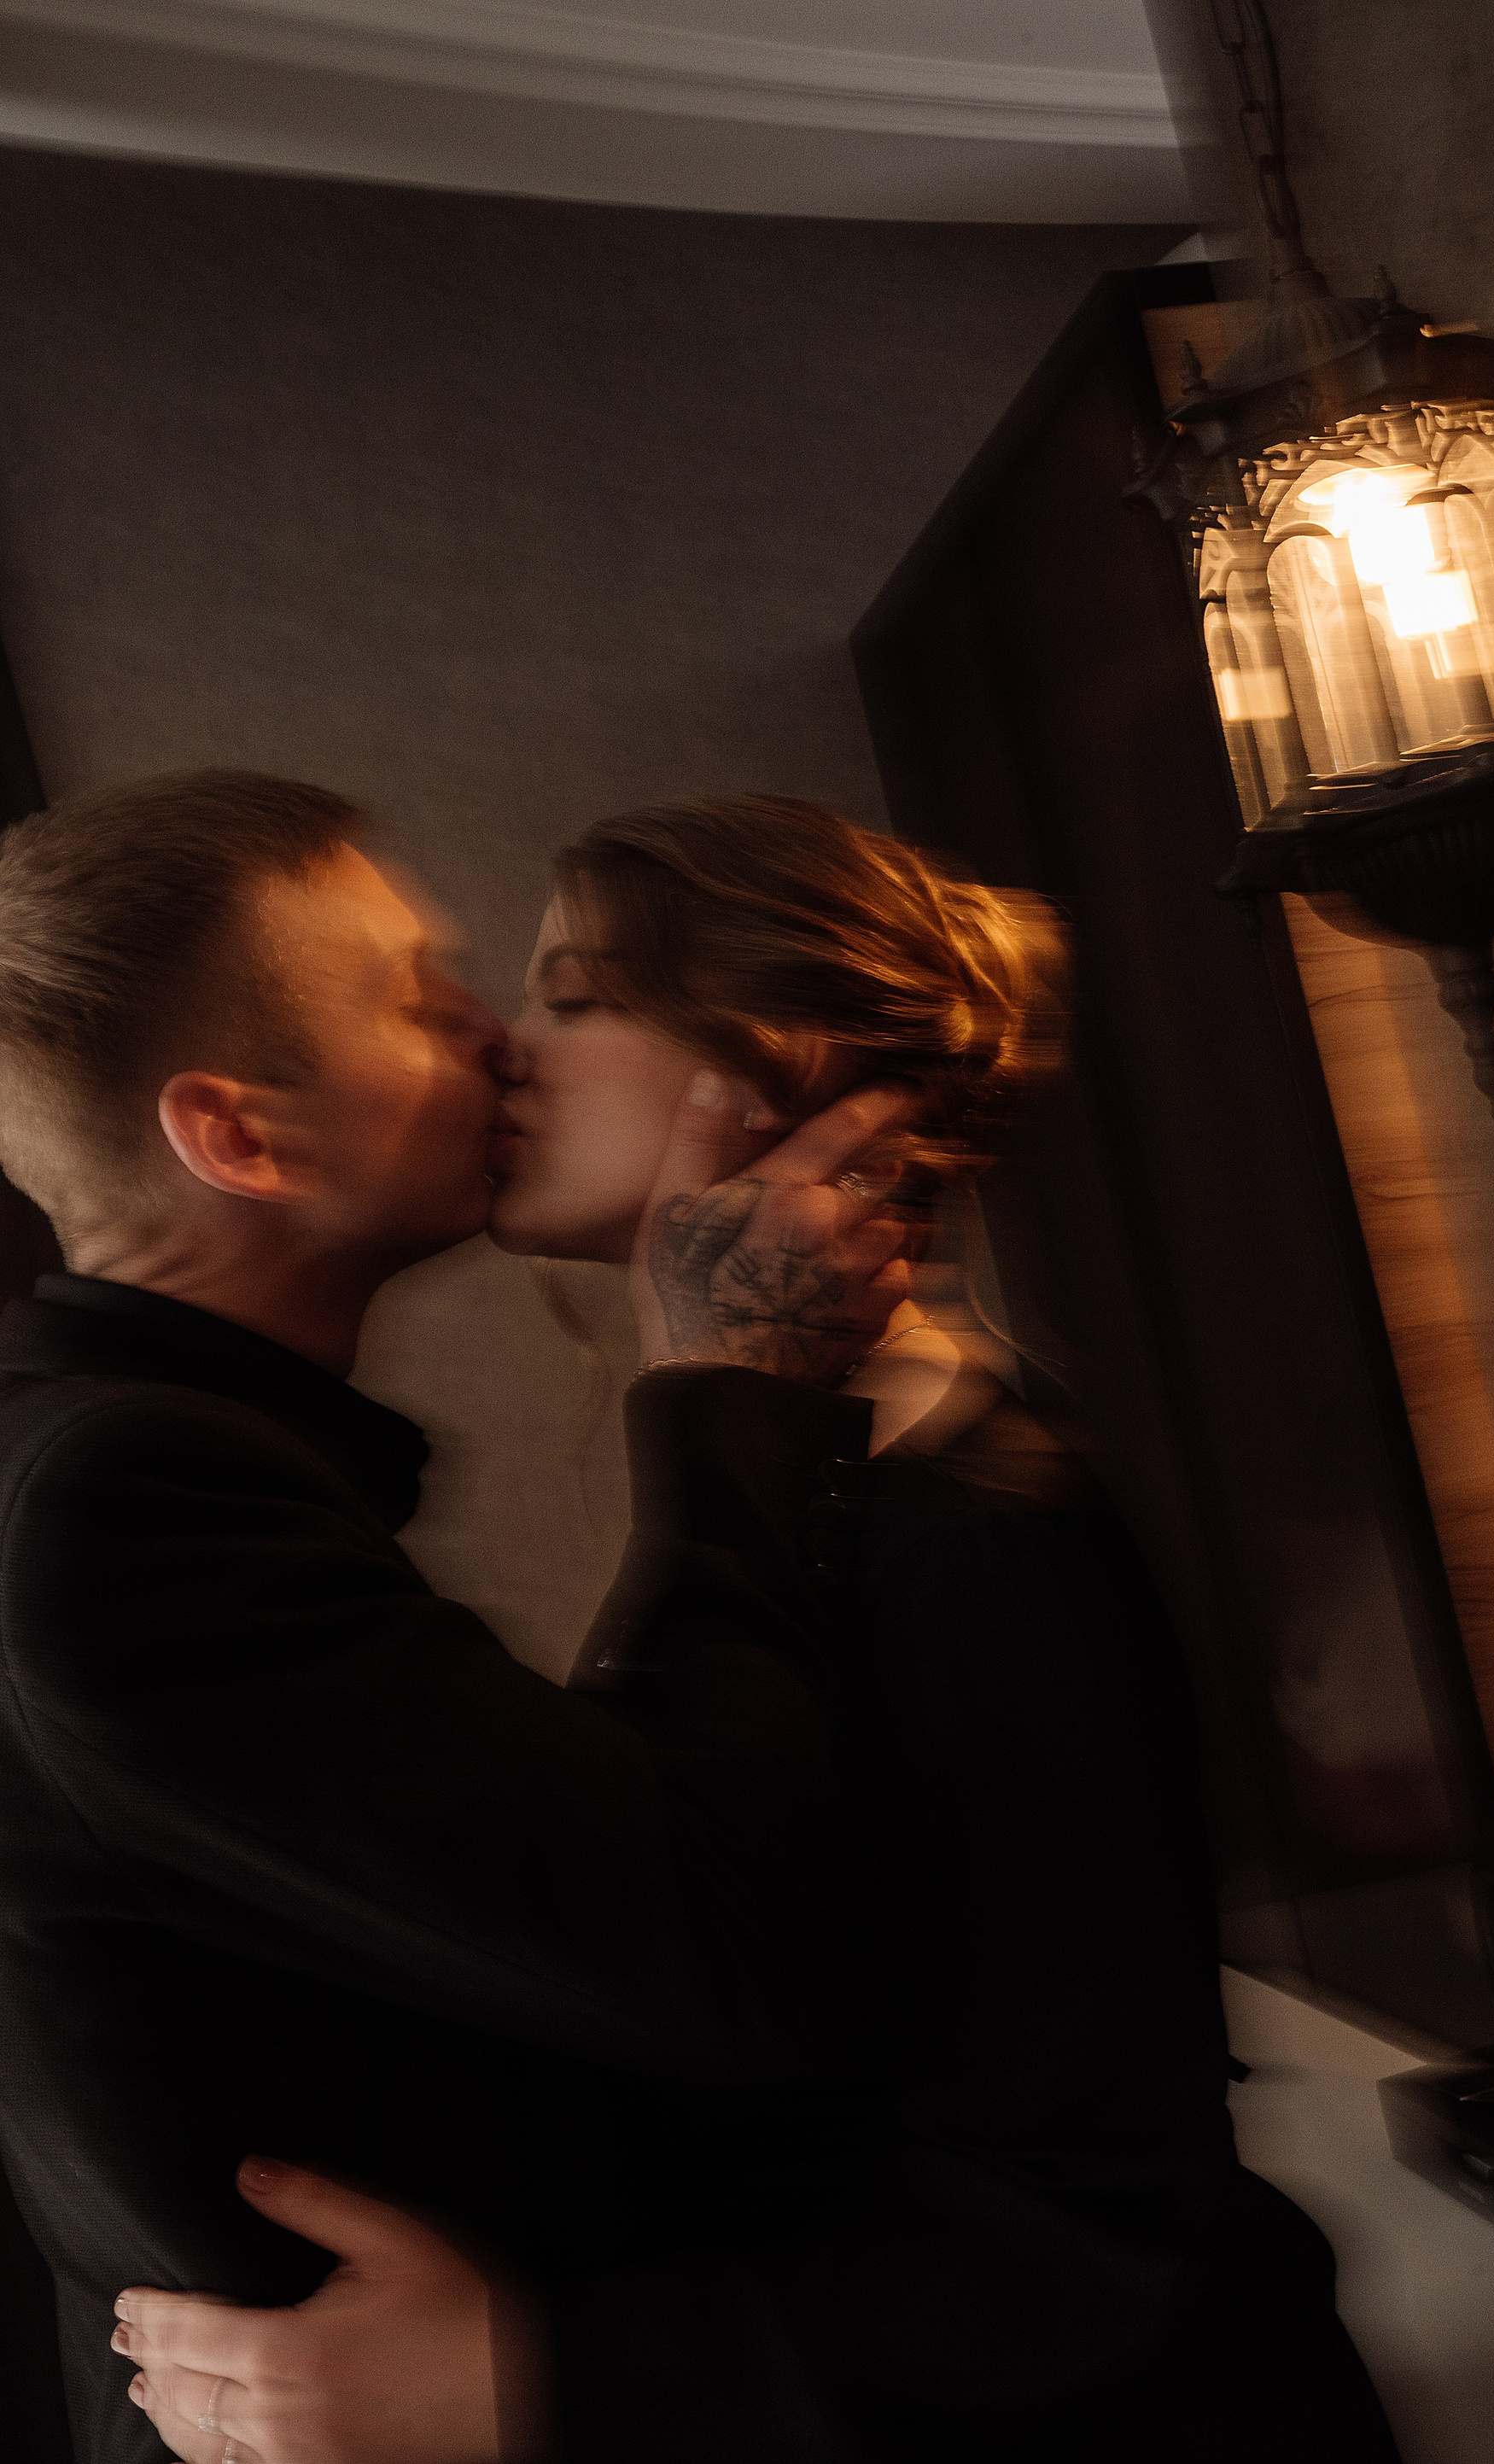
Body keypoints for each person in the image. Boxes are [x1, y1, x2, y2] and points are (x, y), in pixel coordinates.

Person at [115, 796, 1403, 2463]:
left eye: (576, 996)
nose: (506, 1048)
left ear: (778, 1062)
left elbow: (1097, 2225)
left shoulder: (976, 1537)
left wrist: (543, 2375)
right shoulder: (827, 1495)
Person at [0, 771, 918, 2464]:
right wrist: (729, 1393)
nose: (499, 1039)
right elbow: (732, 1956)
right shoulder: (123, 1507)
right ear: (240, 1136)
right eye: (423, 1003)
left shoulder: (96, 1465)